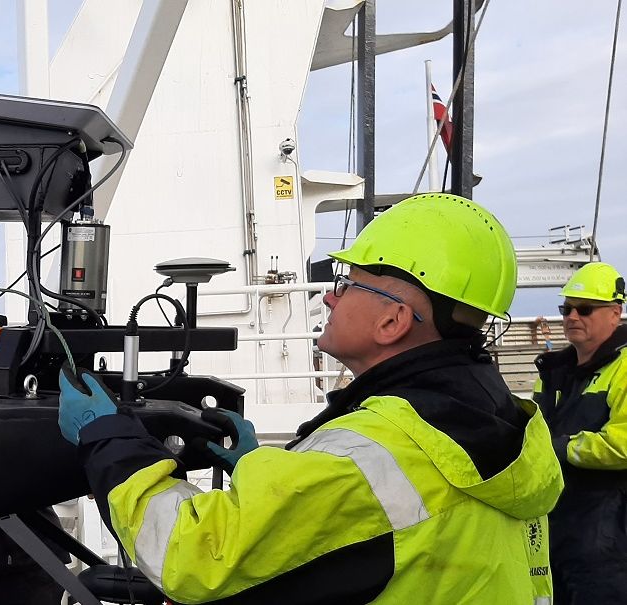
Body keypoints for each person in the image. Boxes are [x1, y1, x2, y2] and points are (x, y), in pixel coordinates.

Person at [59, 193, 563, 603]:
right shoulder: (501, 425)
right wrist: (259, 467)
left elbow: (191, 555)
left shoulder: (379, 449)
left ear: (392, 322)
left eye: (348, 285)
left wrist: (109, 438)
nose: (329, 296)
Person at [533, 261, 627, 604]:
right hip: (554, 525)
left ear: (615, 314)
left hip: (609, 533)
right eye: (567, 308)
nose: (572, 317)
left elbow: (624, 445)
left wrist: (561, 448)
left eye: (584, 309)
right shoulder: (555, 373)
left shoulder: (623, 369)